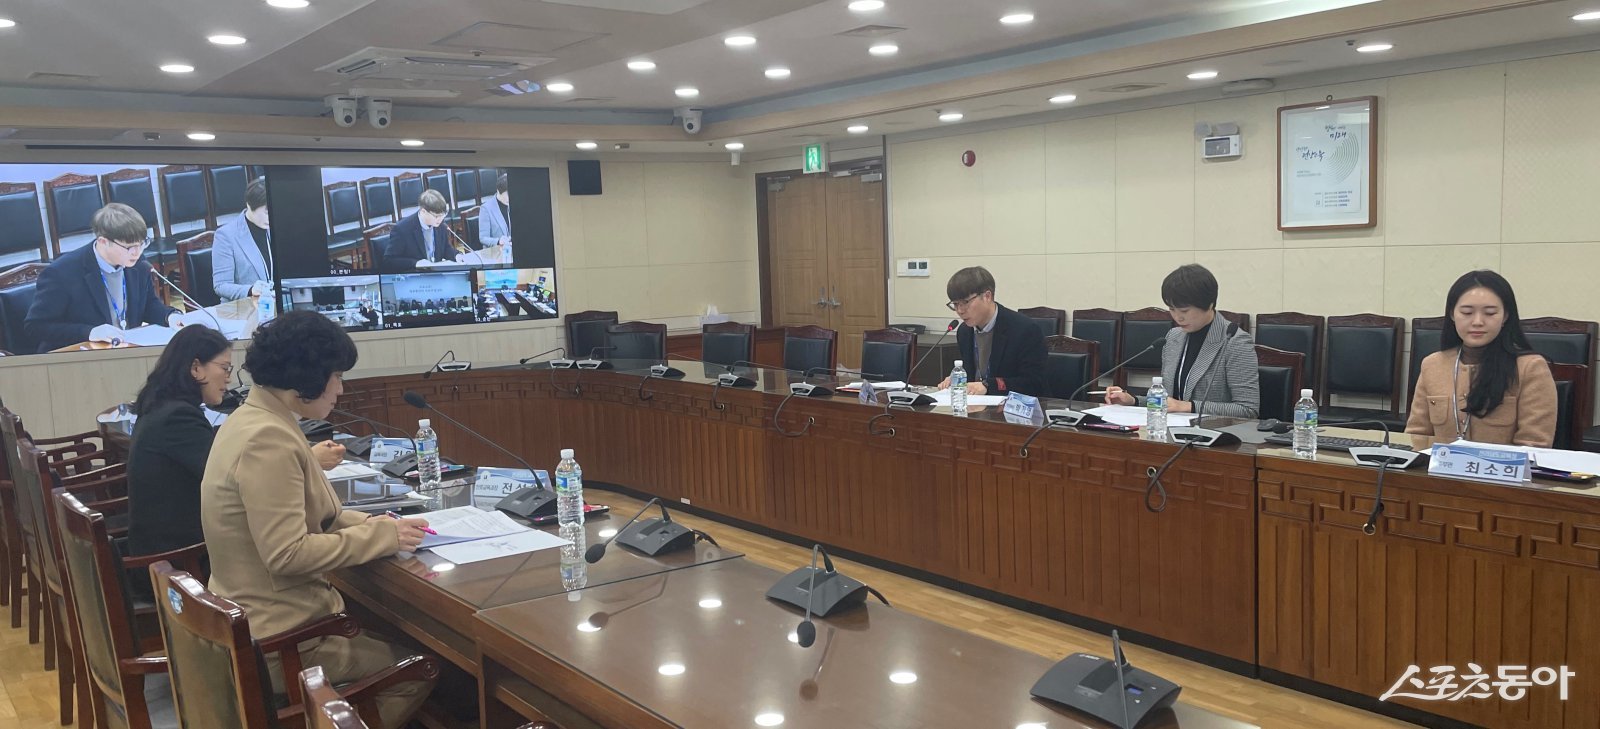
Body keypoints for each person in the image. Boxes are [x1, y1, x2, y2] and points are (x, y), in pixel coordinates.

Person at [201, 310, 434, 727]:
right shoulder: (266, 440)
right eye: (336, 376)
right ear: (305, 377)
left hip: (259, 621)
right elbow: (287, 554)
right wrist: (384, 538)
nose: (341, 388)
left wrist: (372, 525)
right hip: (281, 641)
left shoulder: (254, 420)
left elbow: (318, 516)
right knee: (421, 670)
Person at [1406, 270, 1556, 448]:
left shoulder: (1530, 368)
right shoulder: (1432, 364)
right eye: (1467, 312)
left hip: (1502, 466)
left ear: (1505, 316)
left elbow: (1534, 445)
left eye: (1490, 313)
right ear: (1452, 314)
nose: (1477, 321)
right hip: (1438, 466)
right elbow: (1417, 435)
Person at [1104, 264, 1259, 418]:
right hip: (1171, 429)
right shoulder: (1173, 337)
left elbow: (1248, 410)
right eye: (1172, 309)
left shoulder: (1234, 341)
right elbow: (1169, 402)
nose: (1178, 317)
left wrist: (1189, 407)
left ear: (1209, 304)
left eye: (1184, 310)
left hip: (1214, 431)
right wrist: (1133, 401)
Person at [24, 203, 182, 353]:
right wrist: (89, 332)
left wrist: (169, 316)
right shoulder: (62, 273)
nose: (137, 252)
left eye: (142, 244)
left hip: (125, 349)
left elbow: (149, 305)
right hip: (79, 357)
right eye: (129, 247)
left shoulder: (138, 264)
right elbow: (36, 327)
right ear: (103, 242)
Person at [935, 266, 1046, 397]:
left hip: (1013, 406)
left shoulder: (1025, 330)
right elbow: (972, 375)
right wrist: (956, 379)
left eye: (965, 302)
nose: (960, 310)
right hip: (975, 404)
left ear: (987, 296)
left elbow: (1033, 383)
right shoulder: (964, 332)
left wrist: (988, 386)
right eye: (955, 304)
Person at [213, 177, 275, 302]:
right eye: (267, 212)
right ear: (249, 205)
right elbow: (221, 285)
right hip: (245, 306)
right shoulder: (226, 236)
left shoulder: (277, 227)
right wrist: (250, 290)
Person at [383, 189, 458, 273]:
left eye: (443, 215)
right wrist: (416, 263)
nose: (440, 219)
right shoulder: (402, 229)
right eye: (436, 216)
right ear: (423, 211)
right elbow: (389, 260)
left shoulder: (441, 225)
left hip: (437, 274)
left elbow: (446, 249)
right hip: (415, 275)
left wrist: (458, 256)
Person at [478, 173, 512, 250]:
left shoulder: (513, 204)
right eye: (508, 194)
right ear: (498, 191)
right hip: (496, 252)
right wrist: (498, 241)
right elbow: (483, 238)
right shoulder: (486, 209)